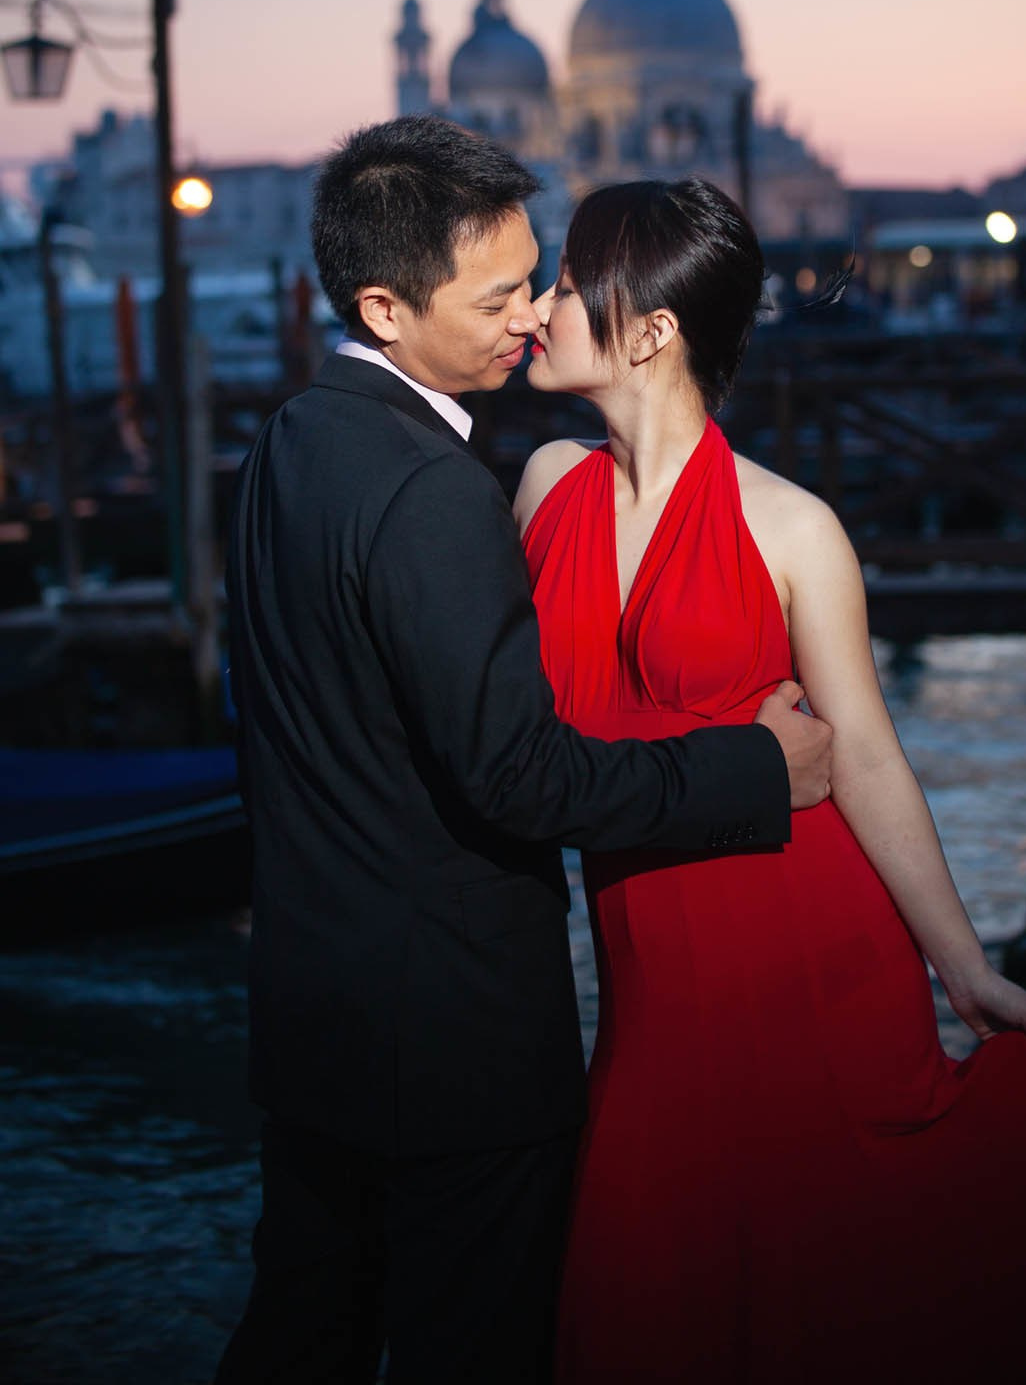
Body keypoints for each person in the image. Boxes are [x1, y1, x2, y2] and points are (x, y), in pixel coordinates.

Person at [214, 119, 834, 1385]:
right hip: (454, 1046)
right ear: (385, 307)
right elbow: (521, 776)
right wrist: (753, 769)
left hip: (314, 1019)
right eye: (498, 298)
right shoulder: (433, 489)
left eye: (534, 279)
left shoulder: (288, 441)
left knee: (299, 1342)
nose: (533, 315)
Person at [516, 177, 1026, 1385]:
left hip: (808, 957)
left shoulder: (792, 529)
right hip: (646, 997)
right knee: (643, 1298)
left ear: (651, 330)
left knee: (818, 1299)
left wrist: (965, 969)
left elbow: (871, 756)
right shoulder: (540, 488)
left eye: (567, 287)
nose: (537, 308)